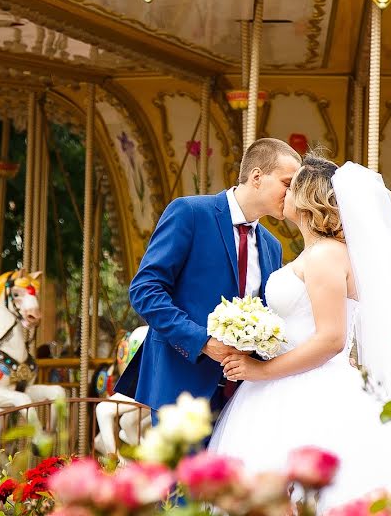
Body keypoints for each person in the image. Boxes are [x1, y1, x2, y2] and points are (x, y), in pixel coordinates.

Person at [209, 154, 391, 510]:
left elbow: (331, 339)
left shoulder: (325, 256)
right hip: (282, 383)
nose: (284, 192)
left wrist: (260, 371)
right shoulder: (311, 254)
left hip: (311, 386)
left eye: (292, 184)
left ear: (307, 194)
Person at [116, 138, 301, 417]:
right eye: (288, 183)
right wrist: (201, 341)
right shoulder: (189, 213)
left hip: (242, 396)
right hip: (181, 387)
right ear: (257, 177)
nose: (292, 194)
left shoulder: (272, 246)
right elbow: (145, 290)